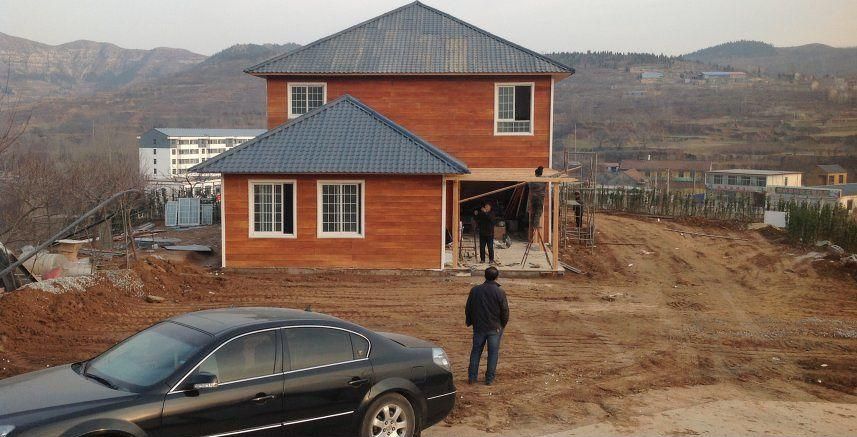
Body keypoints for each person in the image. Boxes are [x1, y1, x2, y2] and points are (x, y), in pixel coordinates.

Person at [465, 266, 509, 385]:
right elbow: (505, 311)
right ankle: (489, 379)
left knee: (476, 352)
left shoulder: (475, 290)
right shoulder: (500, 292)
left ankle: (472, 378)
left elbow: (468, 308)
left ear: (485, 276)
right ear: (496, 277)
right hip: (494, 328)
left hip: (479, 327)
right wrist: (502, 325)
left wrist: (470, 321)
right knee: (493, 353)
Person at [527, 166, 547, 241]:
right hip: (540, 198)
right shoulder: (544, 180)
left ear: (535, 174)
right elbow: (548, 179)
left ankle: (532, 224)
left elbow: (529, 184)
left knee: (533, 211)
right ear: (541, 173)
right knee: (538, 211)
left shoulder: (532, 181)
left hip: (533, 198)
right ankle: (535, 225)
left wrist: (528, 181)